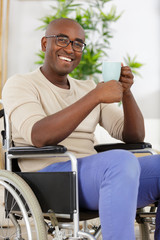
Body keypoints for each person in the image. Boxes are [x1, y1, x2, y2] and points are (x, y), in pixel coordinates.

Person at [2, 18, 160, 240]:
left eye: (78, 43)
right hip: (49, 178)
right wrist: (95, 96)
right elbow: (39, 136)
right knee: (120, 161)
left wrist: (126, 93)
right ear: (45, 44)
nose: (70, 48)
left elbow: (133, 135)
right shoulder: (21, 84)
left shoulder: (87, 87)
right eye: (62, 40)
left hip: (94, 175)